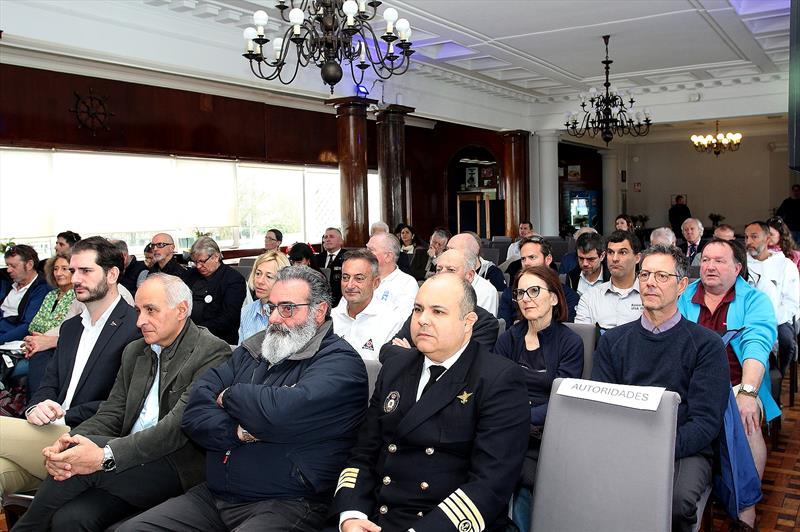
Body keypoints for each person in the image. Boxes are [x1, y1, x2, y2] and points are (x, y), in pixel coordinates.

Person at [120, 266, 368, 531]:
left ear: (318, 312)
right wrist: (237, 431)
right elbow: (193, 413)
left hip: (289, 502)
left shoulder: (341, 363)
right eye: (271, 307)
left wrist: (230, 395)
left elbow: (281, 414)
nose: (274, 318)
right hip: (216, 496)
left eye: (287, 308)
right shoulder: (253, 349)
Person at [11, 273, 231, 531]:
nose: (140, 321)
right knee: (70, 519)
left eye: (151, 310)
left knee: (72, 473)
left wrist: (104, 454)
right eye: (138, 310)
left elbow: (174, 430)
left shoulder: (212, 352)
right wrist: (70, 441)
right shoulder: (135, 351)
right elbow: (112, 413)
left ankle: (26, 527)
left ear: (181, 310)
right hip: (125, 462)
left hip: (174, 466)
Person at [332, 274, 530, 532]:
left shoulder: (498, 379)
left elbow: (490, 484)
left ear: (468, 322)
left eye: (438, 312)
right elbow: (363, 453)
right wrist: (351, 515)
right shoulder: (395, 368)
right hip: (376, 520)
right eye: (418, 309)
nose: (423, 319)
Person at [592, 244, 730, 532]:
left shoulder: (706, 346)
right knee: (590, 489)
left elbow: (706, 423)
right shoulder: (613, 341)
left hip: (684, 448)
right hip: (624, 445)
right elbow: (601, 410)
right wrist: (628, 447)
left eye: (662, 276)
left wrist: (654, 449)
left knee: (675, 503)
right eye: (645, 275)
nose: (650, 282)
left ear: (681, 286)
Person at [0, 237, 141, 496]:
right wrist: (36, 407)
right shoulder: (71, 327)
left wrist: (63, 415)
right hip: (47, 433)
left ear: (112, 274)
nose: (75, 278)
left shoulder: (135, 327)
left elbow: (124, 403)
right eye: (73, 270)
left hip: (86, 437)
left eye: (86, 271)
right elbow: (49, 383)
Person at [677, 238, 780, 530]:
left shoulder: (754, 300)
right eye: (705, 260)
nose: (709, 266)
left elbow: (756, 345)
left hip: (736, 383)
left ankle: (746, 508)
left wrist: (748, 392)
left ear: (737, 268)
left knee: (744, 418)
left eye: (719, 261)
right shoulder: (684, 295)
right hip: (690, 385)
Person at [494, 265, 584, 531]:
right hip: (507, 429)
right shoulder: (509, 338)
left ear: (554, 298)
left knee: (520, 476)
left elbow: (563, 399)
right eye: (520, 293)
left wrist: (519, 418)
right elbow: (495, 391)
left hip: (546, 433)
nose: (525, 298)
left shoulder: (570, 342)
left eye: (534, 291)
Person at [744, 221, 799, 375]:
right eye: (746, 237)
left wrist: (771, 320)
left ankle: (779, 375)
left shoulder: (785, 265)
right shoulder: (741, 264)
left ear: (767, 239)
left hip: (779, 318)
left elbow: (791, 301)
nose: (749, 242)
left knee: (786, 341)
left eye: (754, 237)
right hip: (747, 317)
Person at [331, 249, 405, 360]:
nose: (350, 285)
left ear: (375, 283)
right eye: (345, 278)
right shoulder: (331, 318)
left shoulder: (392, 321)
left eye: (359, 278)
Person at [499, 237, 579, 324]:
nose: (526, 263)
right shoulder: (510, 294)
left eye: (532, 257)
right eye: (523, 259)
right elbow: (505, 331)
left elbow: (566, 332)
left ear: (548, 259)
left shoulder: (568, 296)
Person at [575, 230, 643, 330]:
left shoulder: (650, 295)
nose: (615, 258)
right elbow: (583, 340)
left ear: (637, 258)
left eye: (622, 252)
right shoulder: (590, 297)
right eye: (610, 252)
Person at [185, 236, 247, 345]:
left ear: (216, 257)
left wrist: (195, 331)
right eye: (195, 262)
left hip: (217, 340)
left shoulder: (233, 279)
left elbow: (229, 318)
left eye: (202, 261)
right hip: (186, 334)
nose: (198, 266)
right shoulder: (190, 275)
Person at [0, 245, 49, 345]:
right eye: (7, 265)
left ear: (29, 265)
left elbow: (28, 326)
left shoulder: (42, 288)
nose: (8, 270)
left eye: (13, 266)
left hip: (10, 337)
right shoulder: (7, 281)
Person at [238, 250, 290, 344]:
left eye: (269, 277)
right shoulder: (246, 311)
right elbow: (240, 352)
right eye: (258, 274)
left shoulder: (290, 314)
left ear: (282, 280)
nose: (260, 281)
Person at [366, 233, 418, 317]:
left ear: (388, 256)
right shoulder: (360, 278)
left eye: (371, 250)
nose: (365, 253)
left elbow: (402, 320)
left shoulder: (407, 283)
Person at [435, 248, 498, 316]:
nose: (442, 273)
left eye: (451, 270)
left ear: (469, 275)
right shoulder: (431, 290)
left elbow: (481, 325)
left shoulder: (486, 291)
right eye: (439, 269)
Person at [315, 227, 346, 306]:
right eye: (325, 237)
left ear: (341, 241)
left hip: (341, 301)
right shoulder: (317, 258)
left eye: (331, 237)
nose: (328, 239)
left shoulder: (348, 257)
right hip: (320, 301)